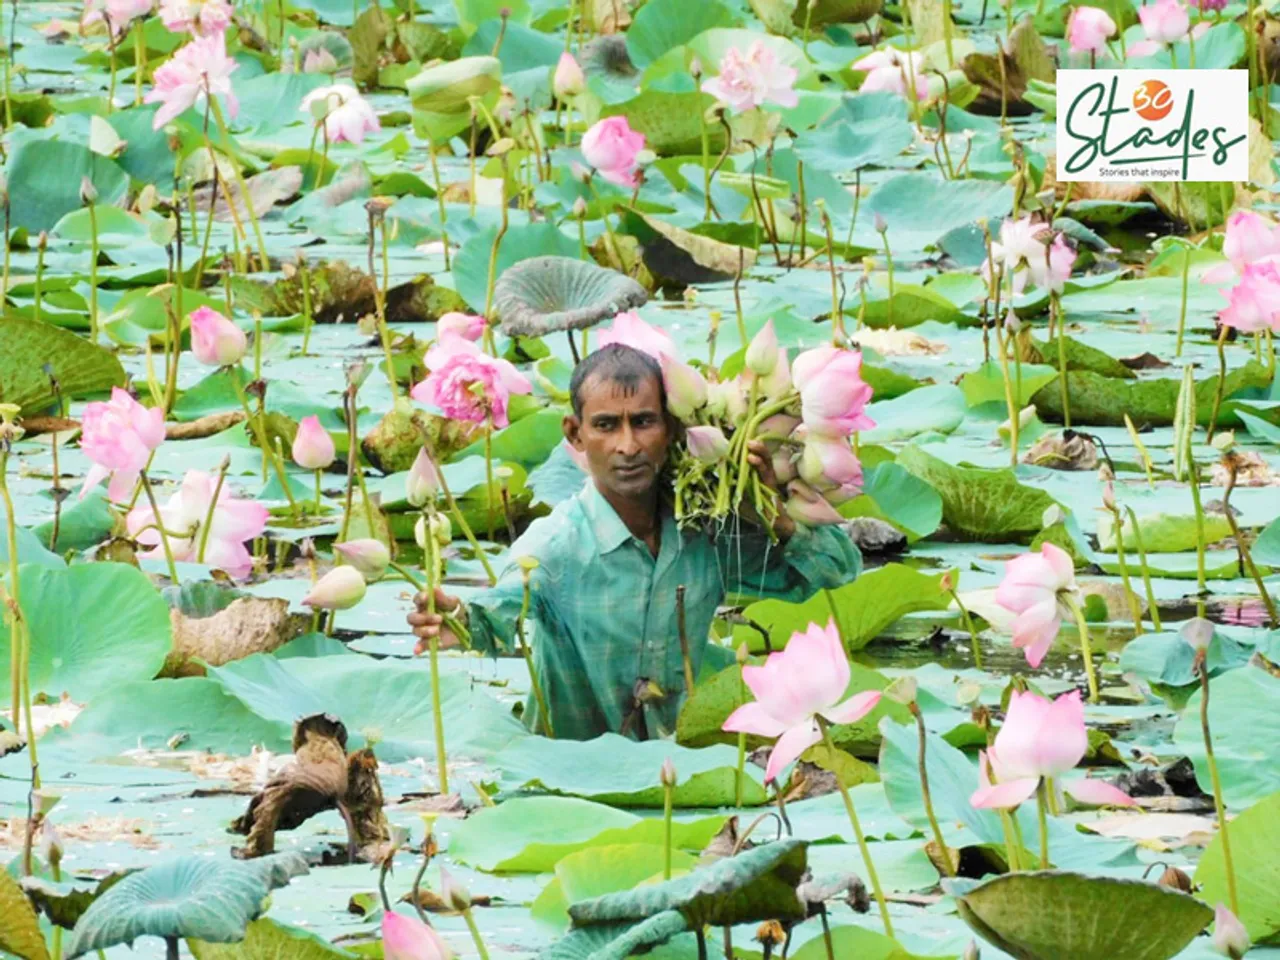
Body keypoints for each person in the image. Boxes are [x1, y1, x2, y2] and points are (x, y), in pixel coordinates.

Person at [407, 344, 862, 741]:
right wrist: (459, 618)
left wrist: (771, 512)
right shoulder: (555, 546)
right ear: (575, 434)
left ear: (673, 430)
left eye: (644, 422)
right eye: (606, 426)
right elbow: (496, 612)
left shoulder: (706, 533)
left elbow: (834, 573)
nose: (627, 445)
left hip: (674, 770)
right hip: (570, 773)